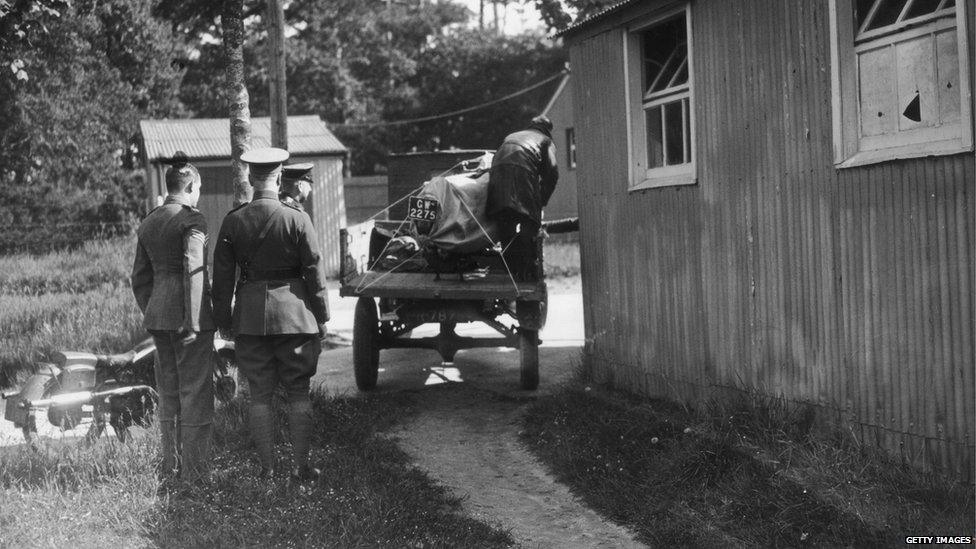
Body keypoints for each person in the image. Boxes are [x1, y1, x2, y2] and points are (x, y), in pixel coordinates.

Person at [212, 147, 329, 481]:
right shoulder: (297, 218)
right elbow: (314, 271)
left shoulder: (234, 221)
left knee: (259, 395)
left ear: (250, 177)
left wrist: (223, 321)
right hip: (295, 316)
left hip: (250, 319)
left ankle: (267, 470)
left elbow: (221, 280)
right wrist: (321, 317)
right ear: (280, 177)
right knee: (298, 392)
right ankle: (300, 467)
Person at [131, 151, 215, 483]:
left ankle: (171, 470)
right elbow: (194, 271)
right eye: (199, 189)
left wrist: (154, 310)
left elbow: (139, 278)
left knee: (169, 394)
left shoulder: (149, 221)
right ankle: (196, 477)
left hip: (159, 318)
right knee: (195, 395)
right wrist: (193, 321)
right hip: (188, 319)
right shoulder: (192, 220)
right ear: (191, 185)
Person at [486, 115, 559, 280]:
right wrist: (541, 201)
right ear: (547, 130)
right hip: (523, 176)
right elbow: (552, 173)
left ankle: (511, 273)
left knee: (505, 227)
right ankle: (528, 273)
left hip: (497, 176)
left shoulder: (510, 136)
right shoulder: (546, 141)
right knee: (530, 225)